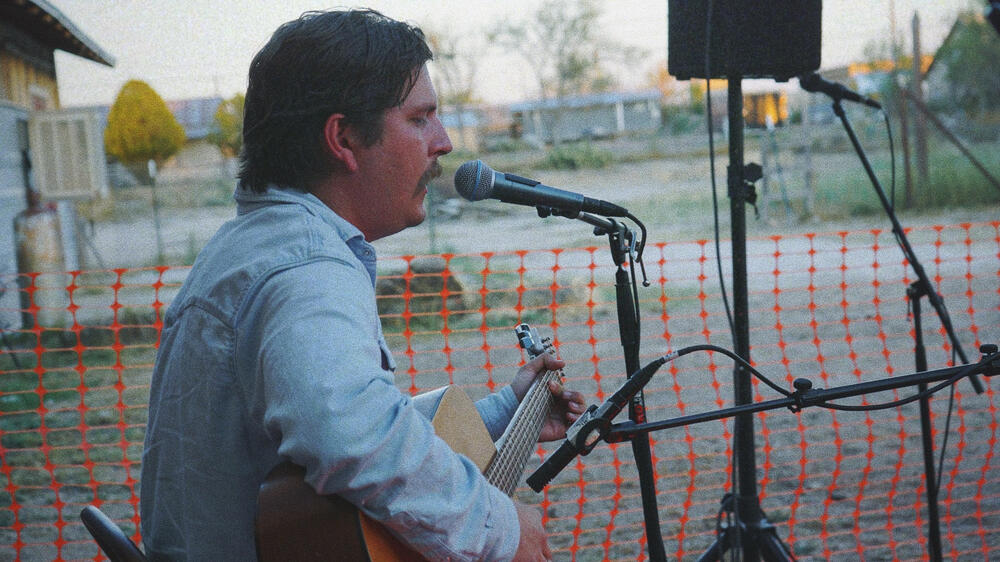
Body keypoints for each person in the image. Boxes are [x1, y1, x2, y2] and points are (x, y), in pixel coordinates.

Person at [139, 8, 586, 561]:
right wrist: (498, 529)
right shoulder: (304, 271)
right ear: (343, 138)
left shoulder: (256, 249)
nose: (443, 142)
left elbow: (330, 437)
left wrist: (503, 414)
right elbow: (351, 435)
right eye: (421, 119)